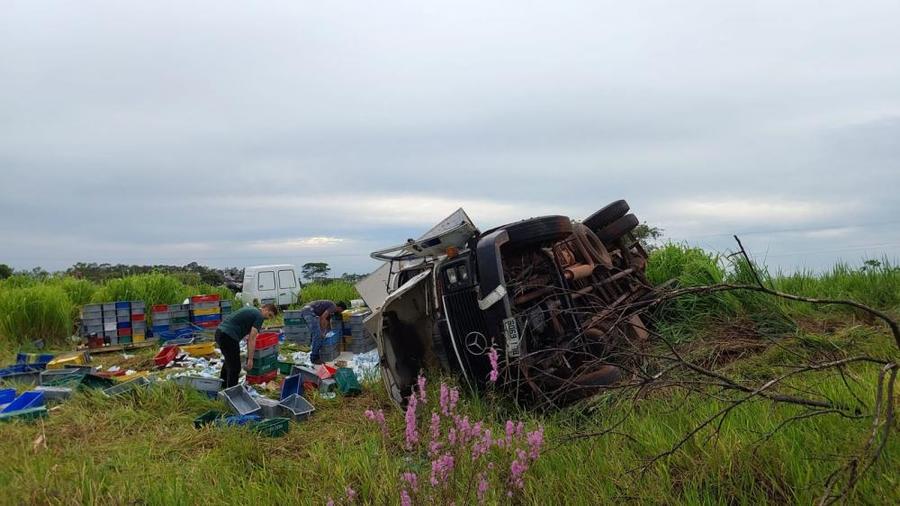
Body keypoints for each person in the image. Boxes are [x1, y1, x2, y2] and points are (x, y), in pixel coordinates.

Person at [215, 303, 278, 388]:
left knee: (229, 361)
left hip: (219, 332)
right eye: (269, 315)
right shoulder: (259, 316)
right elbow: (252, 338)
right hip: (229, 336)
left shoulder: (252, 309)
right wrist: (250, 359)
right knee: (235, 368)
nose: (268, 318)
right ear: (265, 309)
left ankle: (222, 386)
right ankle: (231, 393)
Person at [301, 299, 348, 364]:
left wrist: (327, 333)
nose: (340, 313)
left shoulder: (331, 310)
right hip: (308, 311)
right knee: (318, 335)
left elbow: (327, 323)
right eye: (341, 311)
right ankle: (314, 358)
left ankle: (315, 352)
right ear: (339, 308)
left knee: (316, 334)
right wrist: (322, 332)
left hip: (307, 311)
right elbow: (322, 318)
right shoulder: (333, 306)